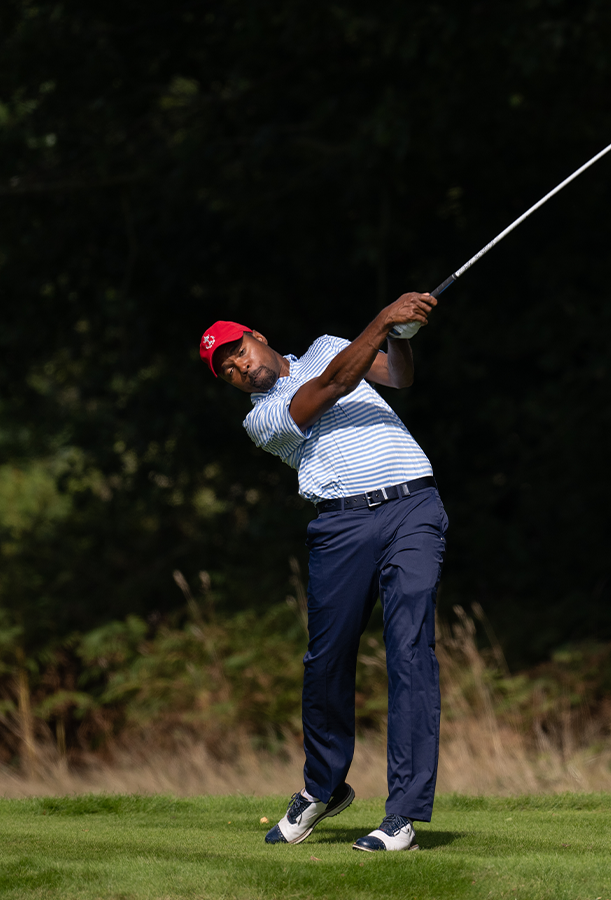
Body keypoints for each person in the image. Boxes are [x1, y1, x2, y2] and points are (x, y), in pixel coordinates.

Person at [198, 291, 444, 852]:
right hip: (341, 526)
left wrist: (400, 339)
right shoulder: (261, 419)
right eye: (228, 370)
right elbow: (333, 387)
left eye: (238, 351)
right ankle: (322, 788)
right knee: (326, 661)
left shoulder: (330, 347)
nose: (239, 368)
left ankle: (402, 814)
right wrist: (383, 319)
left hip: (413, 507)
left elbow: (397, 379)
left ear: (257, 335)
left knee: (411, 652)